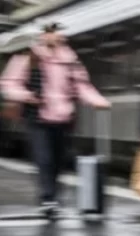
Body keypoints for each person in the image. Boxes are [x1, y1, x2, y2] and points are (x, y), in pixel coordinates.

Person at [0, 23, 111, 216]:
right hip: (38, 118)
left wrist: (97, 100)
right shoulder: (28, 57)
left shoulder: (70, 60)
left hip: (64, 118)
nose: (57, 36)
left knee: (59, 161)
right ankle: (48, 198)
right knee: (44, 159)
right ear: (43, 36)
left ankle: (54, 197)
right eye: (52, 32)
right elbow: (9, 83)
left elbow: (82, 85)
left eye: (59, 33)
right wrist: (25, 95)